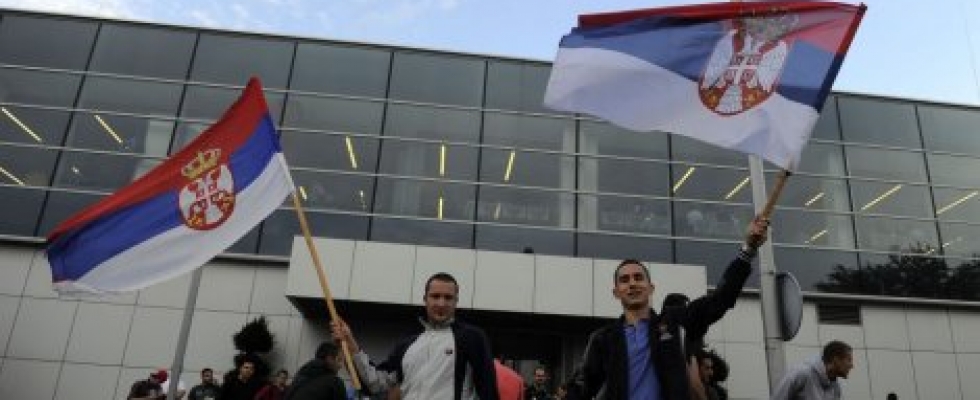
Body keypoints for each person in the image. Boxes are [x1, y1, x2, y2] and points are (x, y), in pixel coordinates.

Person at [566, 216, 769, 400]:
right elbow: (581, 387)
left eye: (638, 277)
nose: (632, 283)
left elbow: (719, 300)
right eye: (625, 280)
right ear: (616, 292)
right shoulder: (603, 339)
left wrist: (748, 250)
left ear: (651, 288)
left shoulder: (675, 323)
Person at [332, 272, 499, 400]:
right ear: (425, 299)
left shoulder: (472, 337)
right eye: (435, 296)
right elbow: (375, 383)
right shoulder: (407, 344)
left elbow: (488, 391)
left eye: (448, 298)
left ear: (456, 301)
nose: (441, 303)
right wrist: (349, 342)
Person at [770, 341, 854, 400]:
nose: (851, 366)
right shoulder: (801, 373)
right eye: (849, 360)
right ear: (836, 360)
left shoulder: (835, 387)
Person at [282, 341, 348, 400]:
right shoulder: (335, 383)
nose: (341, 365)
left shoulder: (300, 375)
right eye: (339, 360)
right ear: (329, 359)